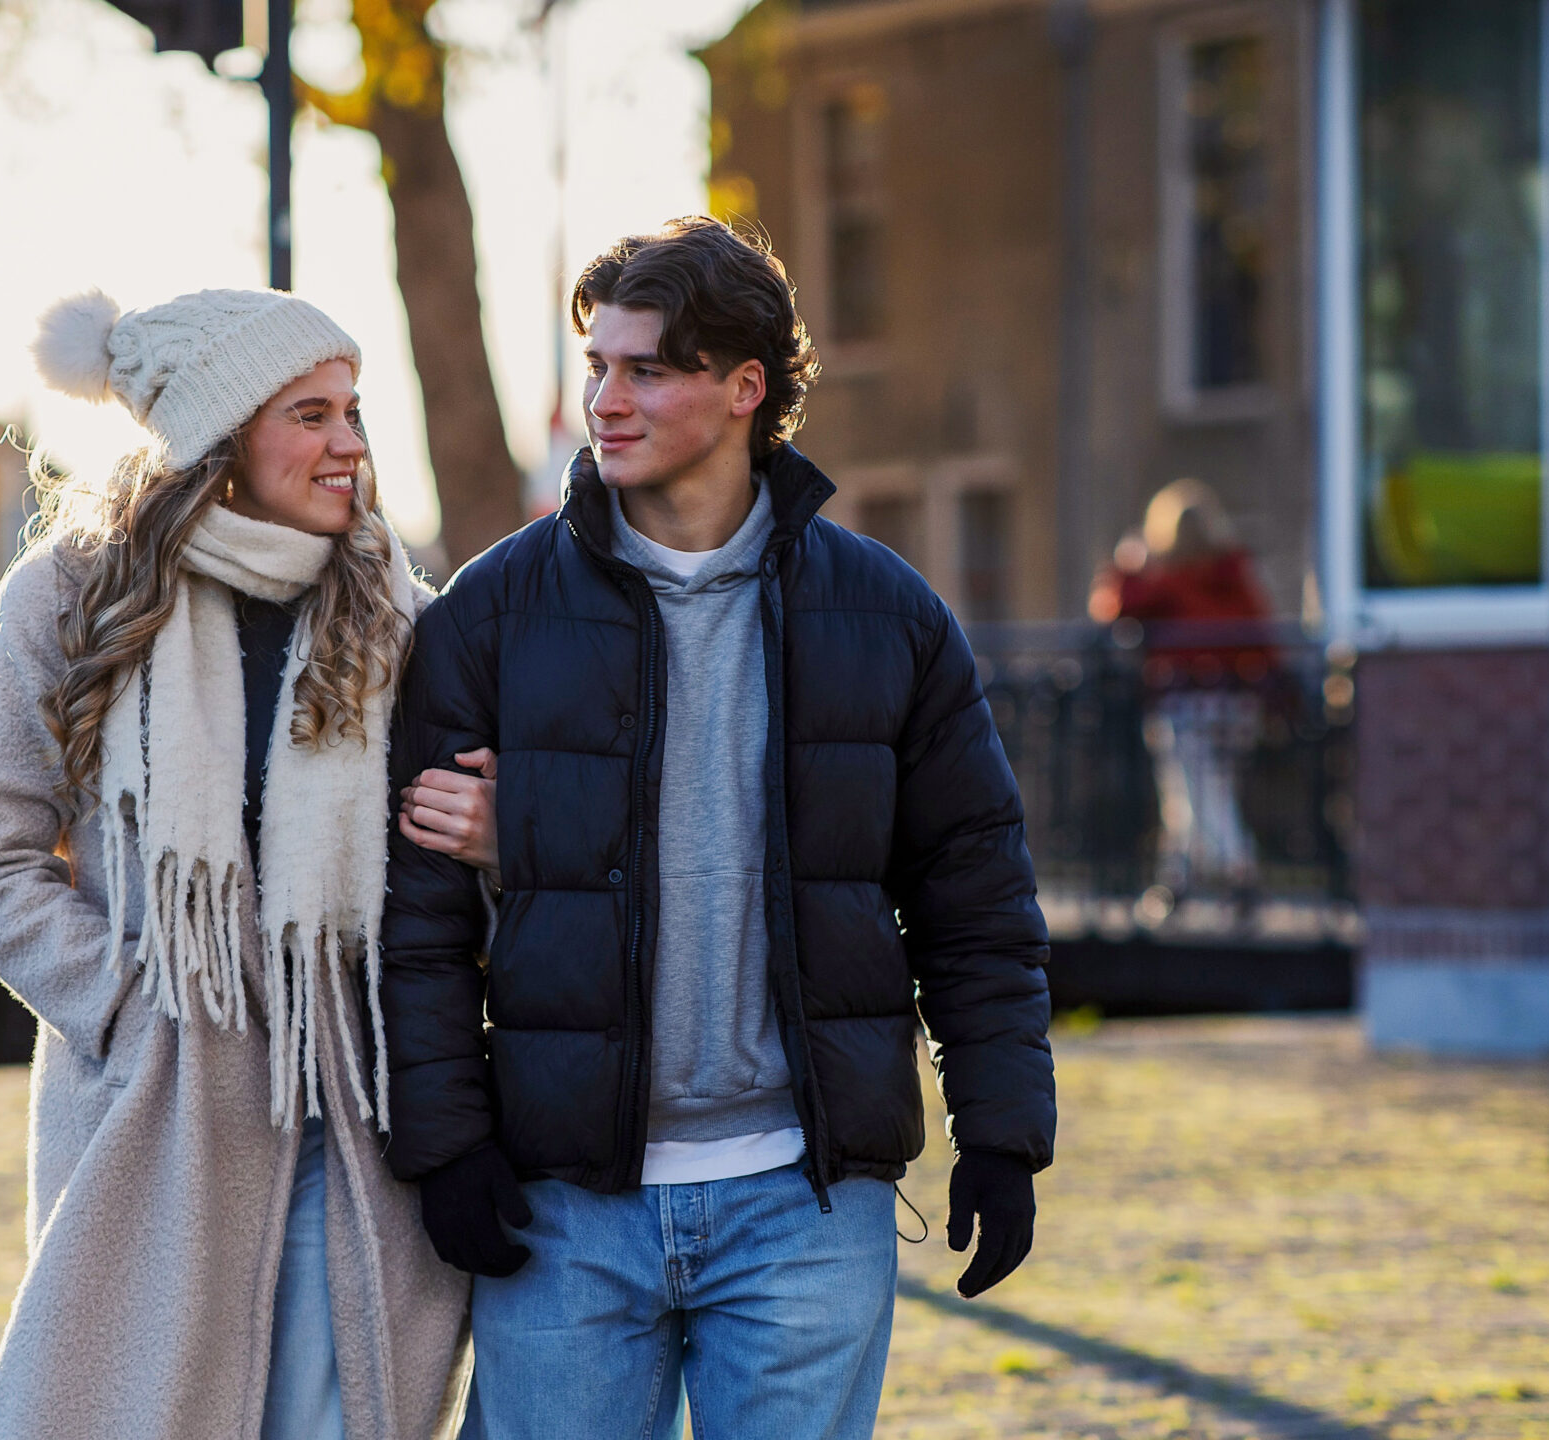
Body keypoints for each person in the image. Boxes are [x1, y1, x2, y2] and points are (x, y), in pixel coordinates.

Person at [378, 217, 1057, 1439]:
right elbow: (415, 922)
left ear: (745, 389)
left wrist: (1000, 1135)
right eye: (596, 366)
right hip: (561, 1210)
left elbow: (975, 901)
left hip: (804, 1206)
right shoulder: (488, 613)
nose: (606, 399)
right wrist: (448, 1151)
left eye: (646, 369)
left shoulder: (887, 615)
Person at [0, 286, 492, 1440]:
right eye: (311, 414)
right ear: (221, 431)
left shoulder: (395, 608)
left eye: (353, 411)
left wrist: (490, 836)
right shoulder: (70, 597)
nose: (349, 444)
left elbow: (450, 850)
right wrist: (135, 1007)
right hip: (161, 1114)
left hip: (351, 1110)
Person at [1089, 478, 1276, 897]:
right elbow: (1262, 635)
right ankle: (1177, 884)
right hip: (1237, 700)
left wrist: (1126, 565)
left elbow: (1115, 608)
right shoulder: (1234, 575)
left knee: (1194, 789)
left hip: (1187, 699)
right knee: (1201, 788)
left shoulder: (1167, 579)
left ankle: (1239, 867)